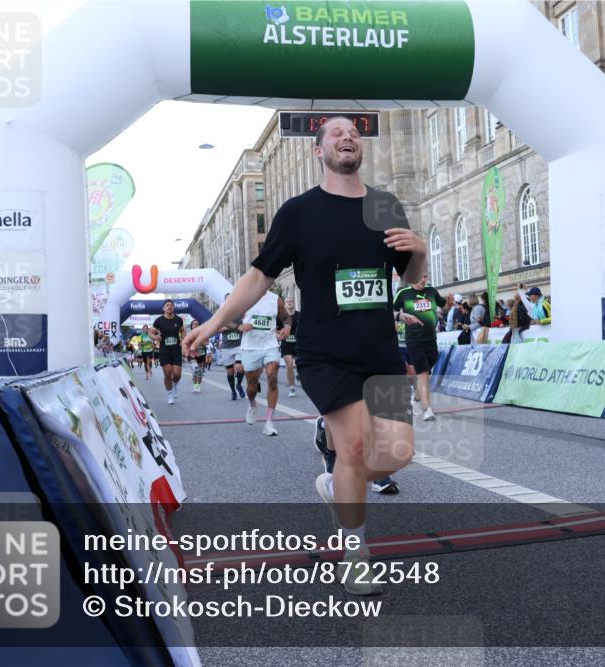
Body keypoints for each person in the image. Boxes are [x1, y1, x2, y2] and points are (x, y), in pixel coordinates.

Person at [184, 116, 423, 594]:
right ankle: (355, 554)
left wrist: (418, 251)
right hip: (325, 353)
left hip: (379, 352)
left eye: (353, 133)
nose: (347, 136)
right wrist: (213, 322)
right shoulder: (298, 212)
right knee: (353, 448)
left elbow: (410, 278)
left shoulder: (384, 205)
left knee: (398, 453)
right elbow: (259, 277)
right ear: (319, 151)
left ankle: (336, 485)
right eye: (336, 133)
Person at [394, 272, 446, 422]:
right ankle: (427, 409)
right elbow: (391, 310)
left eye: (425, 276)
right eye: (420, 277)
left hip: (431, 339)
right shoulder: (403, 293)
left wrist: (449, 303)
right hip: (414, 340)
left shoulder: (431, 291)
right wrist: (398, 317)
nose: (423, 280)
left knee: (427, 370)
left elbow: (443, 305)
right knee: (423, 372)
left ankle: (416, 396)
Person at [239, 291, 291, 436]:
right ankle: (252, 404)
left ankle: (269, 423)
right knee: (251, 387)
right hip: (250, 347)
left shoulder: (275, 299)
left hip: (270, 345)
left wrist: (287, 326)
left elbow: (286, 317)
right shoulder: (244, 296)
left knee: (272, 379)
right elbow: (227, 318)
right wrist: (238, 327)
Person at [151, 300, 185, 405]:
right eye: (167, 305)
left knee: (177, 374)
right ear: (163, 308)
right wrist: (155, 336)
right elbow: (151, 332)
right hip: (164, 350)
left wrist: (184, 340)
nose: (170, 307)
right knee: (168, 373)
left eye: (171, 305)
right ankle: (170, 395)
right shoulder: (159, 320)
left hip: (176, 350)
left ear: (173, 308)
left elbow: (182, 330)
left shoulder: (178, 319)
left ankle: (174, 385)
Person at [280, 296, 300, 397]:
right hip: (286, 344)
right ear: (284, 304)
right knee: (289, 365)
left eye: (291, 301)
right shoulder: (281, 317)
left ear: (294, 303)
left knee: (300, 364)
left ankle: (298, 372)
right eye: (287, 301)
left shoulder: (299, 315)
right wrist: (279, 335)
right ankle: (292, 389)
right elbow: (275, 330)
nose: (289, 302)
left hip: (298, 344)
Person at [188, 319, 207, 393]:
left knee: (200, 372)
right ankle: (195, 385)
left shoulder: (203, 333)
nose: (195, 325)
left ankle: (198, 386)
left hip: (201, 353)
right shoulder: (189, 334)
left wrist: (199, 339)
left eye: (197, 324)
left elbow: (206, 344)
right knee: (195, 369)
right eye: (194, 324)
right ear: (191, 326)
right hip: (192, 354)